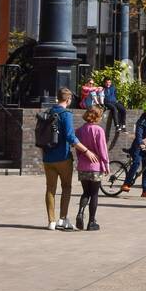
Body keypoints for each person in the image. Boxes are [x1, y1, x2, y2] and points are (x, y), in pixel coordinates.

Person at [38, 87, 98, 231]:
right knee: (66, 187)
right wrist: (87, 151)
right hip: (63, 157)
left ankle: (51, 221)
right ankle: (63, 219)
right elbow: (71, 137)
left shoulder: (47, 112)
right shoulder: (66, 114)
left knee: (50, 189)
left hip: (47, 157)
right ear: (69, 99)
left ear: (58, 98)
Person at [74, 106, 110, 231]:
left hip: (83, 166)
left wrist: (81, 158)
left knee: (85, 192)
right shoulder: (98, 130)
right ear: (97, 117)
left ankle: (80, 212)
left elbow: (78, 148)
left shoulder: (80, 130)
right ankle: (91, 221)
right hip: (95, 166)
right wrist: (106, 164)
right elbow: (103, 149)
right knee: (94, 194)